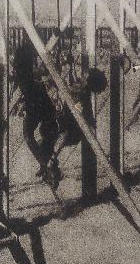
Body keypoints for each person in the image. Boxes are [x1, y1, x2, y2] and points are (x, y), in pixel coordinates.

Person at [13, 43, 107, 188]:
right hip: (64, 124)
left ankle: (50, 164)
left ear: (87, 82)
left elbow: (77, 111)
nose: (80, 77)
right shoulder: (79, 91)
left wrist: (71, 108)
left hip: (69, 129)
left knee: (47, 139)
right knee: (44, 141)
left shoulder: (81, 96)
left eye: (84, 77)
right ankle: (49, 167)